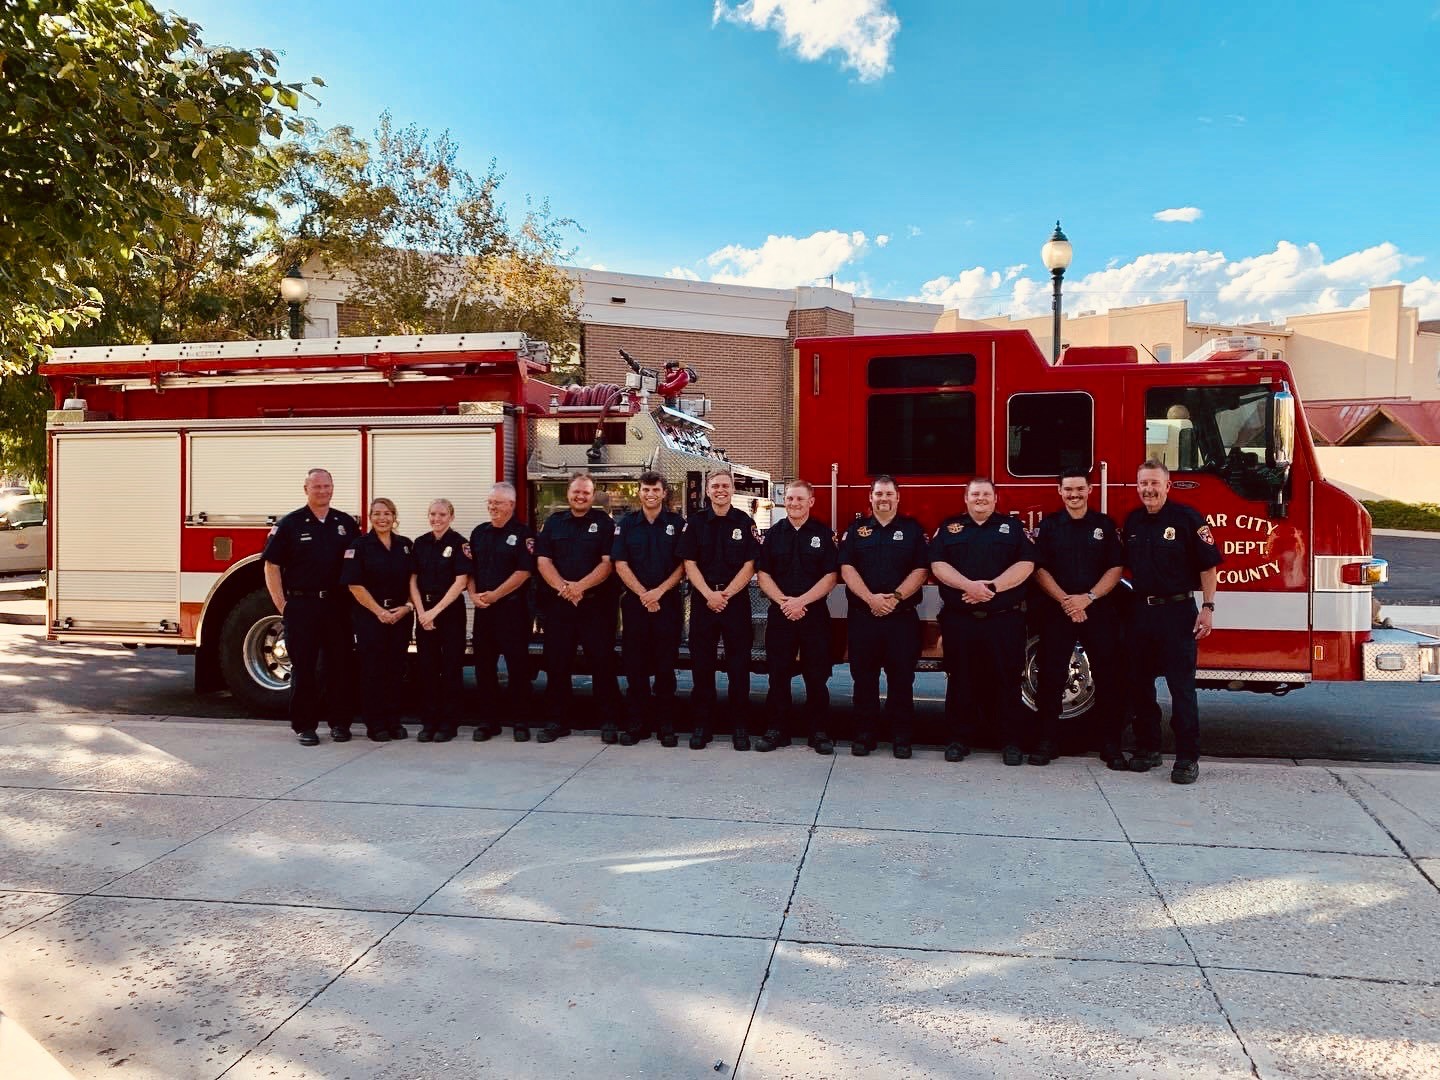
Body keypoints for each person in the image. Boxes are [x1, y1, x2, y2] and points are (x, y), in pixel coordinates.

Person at [1123, 459, 1223, 785]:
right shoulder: (1133, 521)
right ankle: (1148, 748)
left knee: (1181, 689)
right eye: (1143, 484)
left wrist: (1207, 608)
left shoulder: (1187, 519)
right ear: (1138, 487)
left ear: (1167, 486)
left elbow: (1209, 567)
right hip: (1141, 613)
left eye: (1154, 483)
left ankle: (1186, 758)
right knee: (1139, 686)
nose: (1148, 489)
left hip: (1178, 613)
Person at [929, 478, 1036, 766]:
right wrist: (969, 586)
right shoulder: (950, 528)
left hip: (1003, 620)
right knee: (960, 680)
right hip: (960, 621)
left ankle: (1010, 742)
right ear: (966, 498)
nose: (980, 499)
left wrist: (990, 588)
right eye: (975, 494)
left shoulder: (1012, 528)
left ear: (995, 498)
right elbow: (937, 565)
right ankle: (957, 740)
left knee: (1007, 682)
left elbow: (1026, 564)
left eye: (986, 494)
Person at [1031, 470, 1126, 769]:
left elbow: (1115, 568)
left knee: (1109, 679)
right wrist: (1067, 602)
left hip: (1097, 610)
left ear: (1090, 490)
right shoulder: (1049, 526)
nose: (1074, 494)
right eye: (1068, 489)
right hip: (1057, 611)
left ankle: (1110, 746)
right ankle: (1046, 742)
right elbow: (1039, 569)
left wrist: (1088, 598)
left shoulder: (1103, 525)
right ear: (1060, 492)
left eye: (1079, 489)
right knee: (1050, 678)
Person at [262, 468, 359, 746]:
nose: (323, 491)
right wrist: (283, 605)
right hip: (302, 606)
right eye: (317, 486)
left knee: (339, 667)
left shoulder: (344, 523)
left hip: (337, 607)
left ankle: (340, 723)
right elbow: (271, 565)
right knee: (304, 669)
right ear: (306, 489)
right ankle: (305, 726)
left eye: (327, 486)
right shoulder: (290, 525)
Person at [837, 475, 929, 759]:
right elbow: (847, 568)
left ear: (898, 498)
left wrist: (894, 598)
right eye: (878, 494)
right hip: (864, 617)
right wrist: (870, 599)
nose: (883, 498)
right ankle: (864, 735)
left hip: (901, 618)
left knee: (902, 680)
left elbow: (921, 570)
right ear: (871, 498)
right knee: (864, 680)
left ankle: (901, 737)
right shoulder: (857, 530)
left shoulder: (913, 531)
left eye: (889, 494)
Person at [534, 472, 623, 743]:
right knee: (557, 665)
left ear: (593, 495)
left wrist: (579, 587)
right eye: (576, 491)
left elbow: (607, 563)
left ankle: (608, 721)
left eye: (586, 492)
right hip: (560, 607)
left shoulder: (604, 524)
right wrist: (564, 589)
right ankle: (556, 721)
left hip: (595, 608)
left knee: (602, 665)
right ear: (568, 493)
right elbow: (543, 561)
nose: (580, 496)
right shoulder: (553, 523)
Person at [755, 480, 840, 755]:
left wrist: (801, 602)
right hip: (781, 614)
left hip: (813, 615)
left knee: (816, 677)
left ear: (811, 502)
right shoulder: (774, 534)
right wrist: (784, 602)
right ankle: (776, 730)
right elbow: (763, 574)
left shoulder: (823, 535)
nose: (794, 504)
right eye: (790, 499)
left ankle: (819, 732)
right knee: (778, 676)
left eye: (800, 499)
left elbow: (831, 576)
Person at [679, 469, 761, 750]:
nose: (720, 490)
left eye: (725, 485)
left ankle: (740, 728)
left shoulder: (744, 521)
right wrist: (709, 595)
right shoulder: (696, 523)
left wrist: (725, 594)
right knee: (702, 668)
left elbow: (750, 564)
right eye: (715, 486)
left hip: (734, 600)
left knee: (739, 669)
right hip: (704, 600)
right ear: (707, 490)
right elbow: (689, 563)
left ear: (732, 488)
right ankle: (703, 727)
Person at [611, 471, 686, 745]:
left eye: (655, 490)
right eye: (645, 490)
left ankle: (666, 726)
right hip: (635, 605)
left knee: (666, 669)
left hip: (667, 605)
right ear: (638, 492)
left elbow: (683, 565)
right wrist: (644, 594)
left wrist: (658, 592)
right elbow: (620, 563)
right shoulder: (627, 524)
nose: (650, 494)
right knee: (635, 668)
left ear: (664, 493)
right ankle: (637, 725)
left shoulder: (677, 524)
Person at [341, 497, 415, 742]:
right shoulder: (359, 546)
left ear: (394, 517)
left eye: (387, 513)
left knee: (395, 670)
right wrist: (379, 612)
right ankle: (376, 724)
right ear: (370, 517)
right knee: (373, 671)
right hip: (370, 617)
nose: (382, 518)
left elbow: (414, 581)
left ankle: (394, 721)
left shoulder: (405, 545)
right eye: (376, 514)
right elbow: (355, 585)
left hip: (401, 617)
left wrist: (407, 607)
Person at [468, 482, 535, 742]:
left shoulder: (523, 534)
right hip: (484, 612)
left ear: (511, 505)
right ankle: (488, 722)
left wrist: (496, 595)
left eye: (497, 502)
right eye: (490, 502)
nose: (492, 506)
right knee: (484, 669)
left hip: (512, 611)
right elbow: (468, 570)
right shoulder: (479, 533)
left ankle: (521, 721)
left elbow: (523, 572)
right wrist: (474, 595)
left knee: (518, 669)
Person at [409, 498, 470, 743]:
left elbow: (461, 581)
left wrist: (434, 613)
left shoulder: (459, 543)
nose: (437, 519)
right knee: (428, 670)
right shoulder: (420, 543)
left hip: (450, 612)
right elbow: (412, 580)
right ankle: (429, 722)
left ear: (451, 517)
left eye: (442, 514)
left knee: (451, 669)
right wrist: (422, 611)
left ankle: (448, 724)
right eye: (433, 514)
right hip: (424, 612)